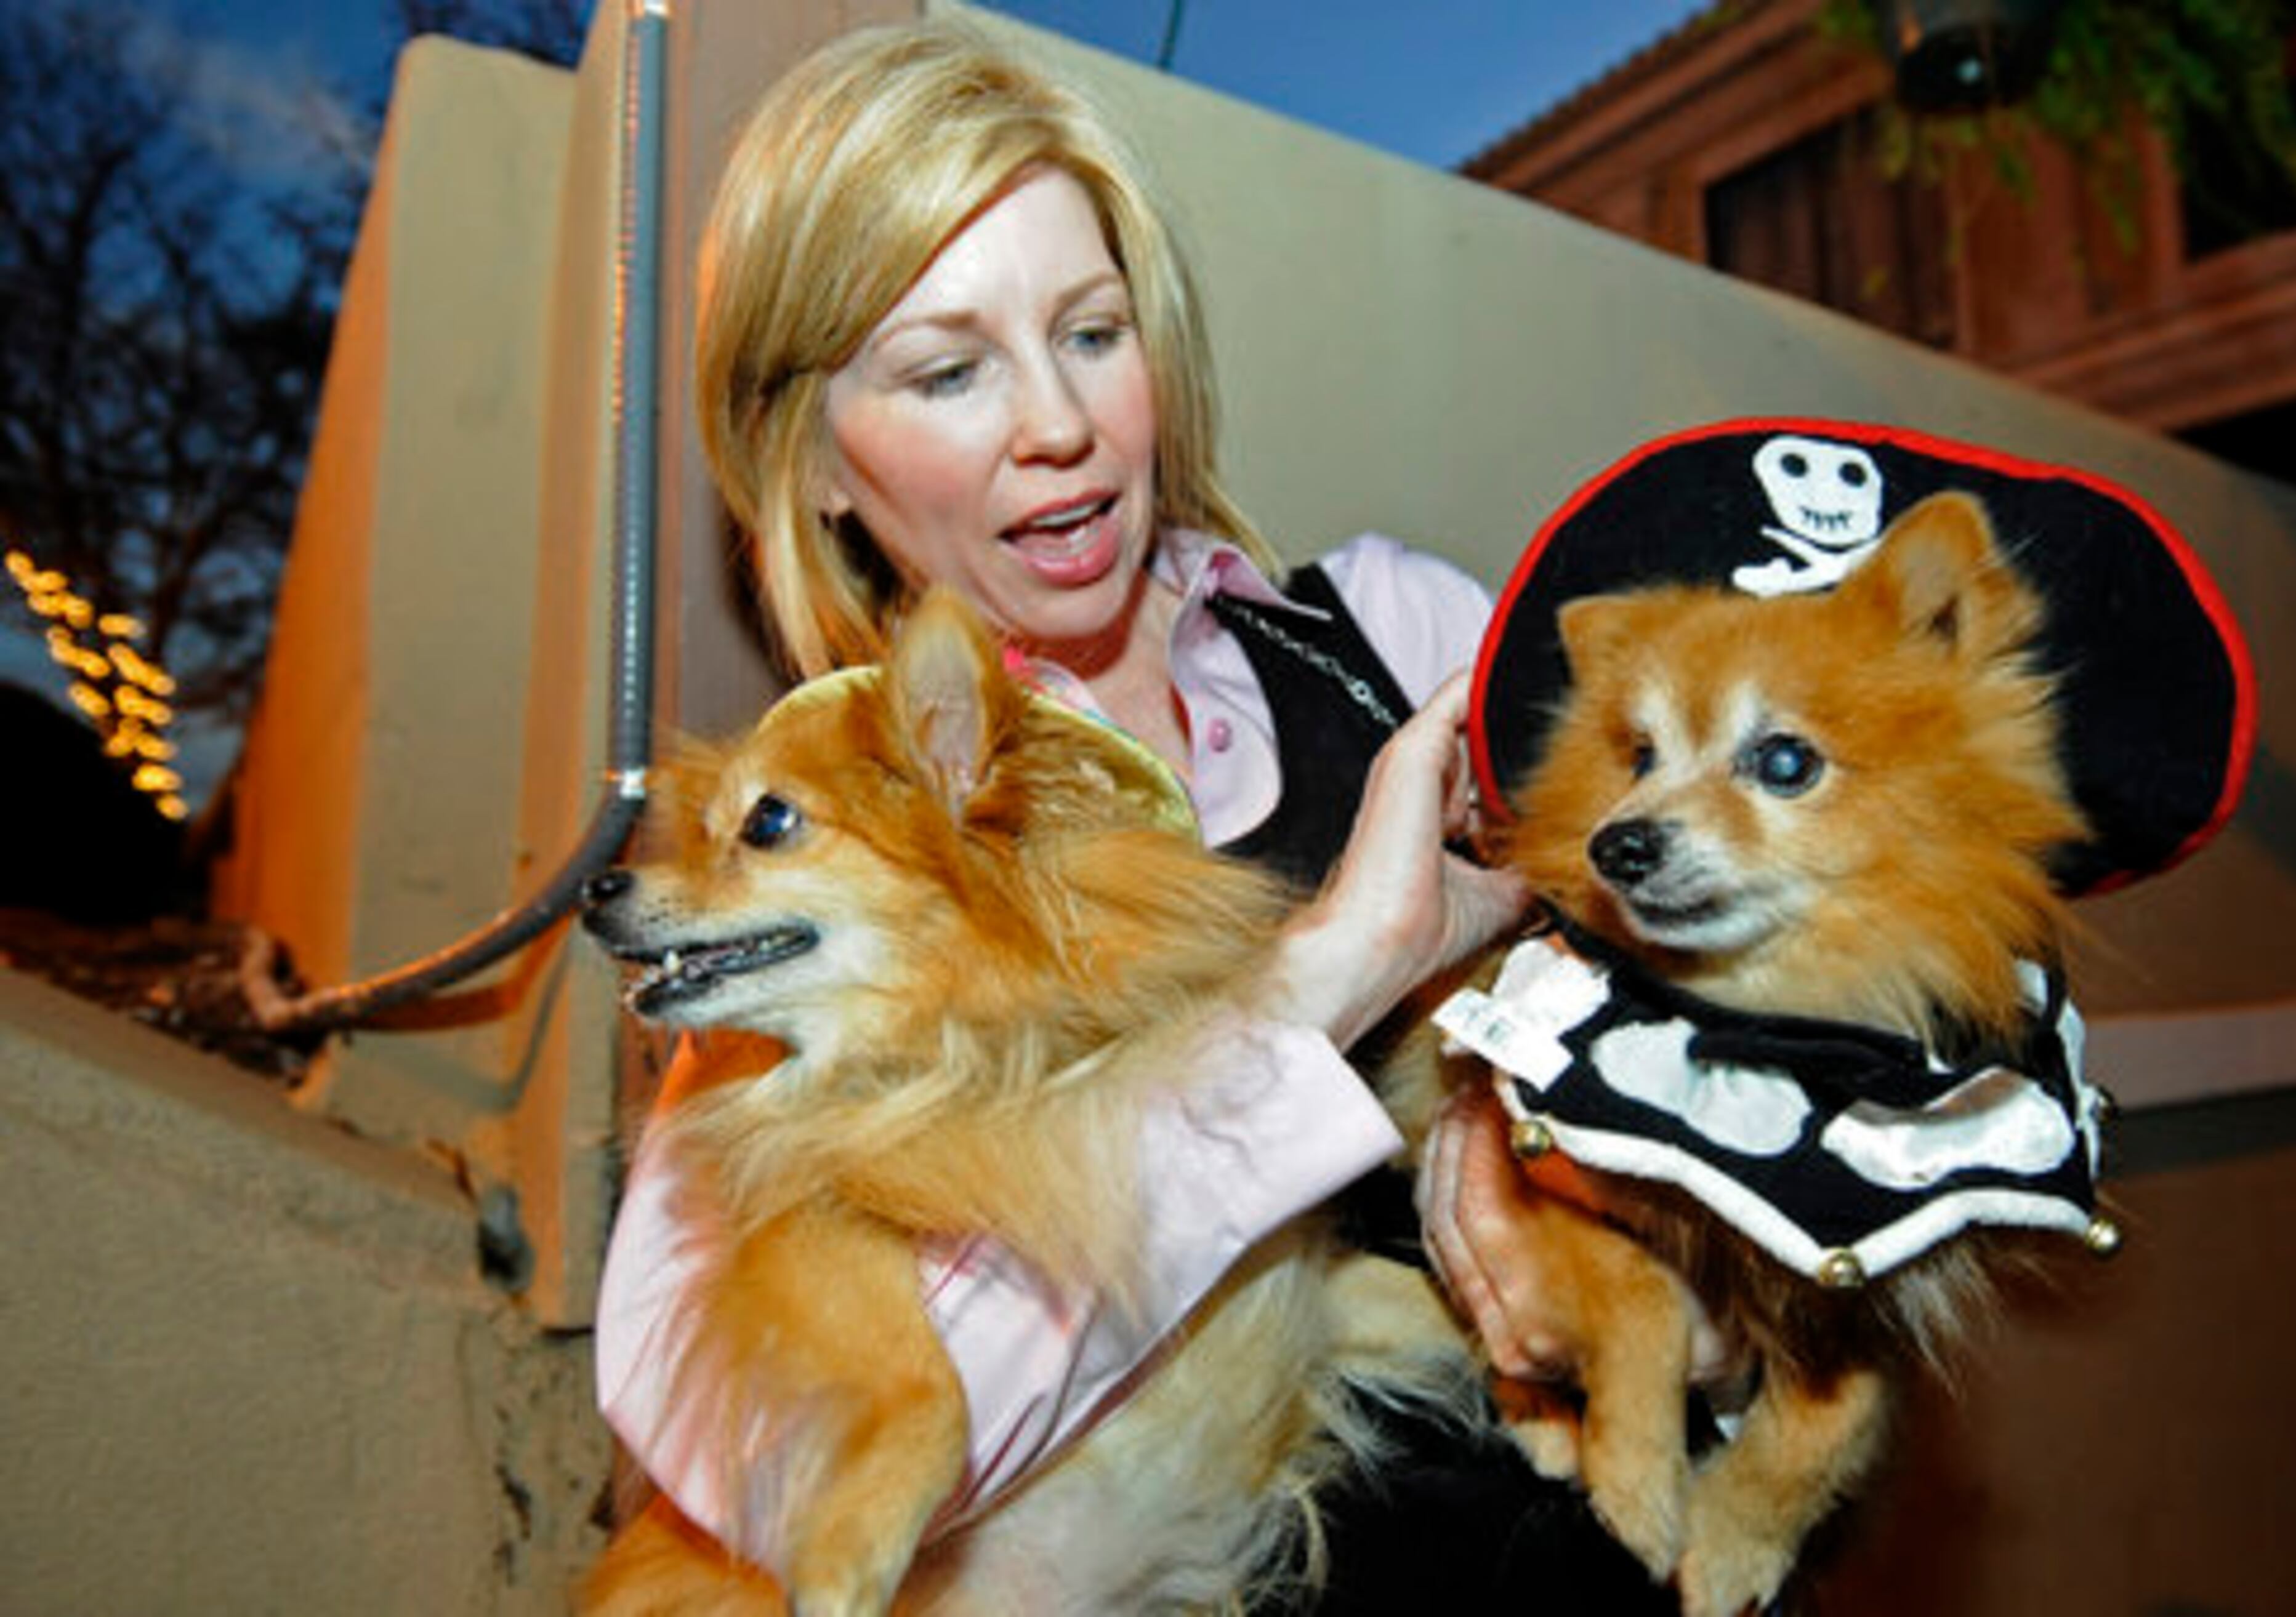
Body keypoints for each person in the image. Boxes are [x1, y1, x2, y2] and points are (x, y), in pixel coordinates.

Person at [596, 20, 1710, 1611]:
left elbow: (1803, 922)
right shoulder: (799, 906)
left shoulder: (1393, 639)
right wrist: (1331, 974)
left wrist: (1704, 1277)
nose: (1059, 423)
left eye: (1093, 332)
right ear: (818, 464)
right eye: (951, 368)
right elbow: (790, 1483)